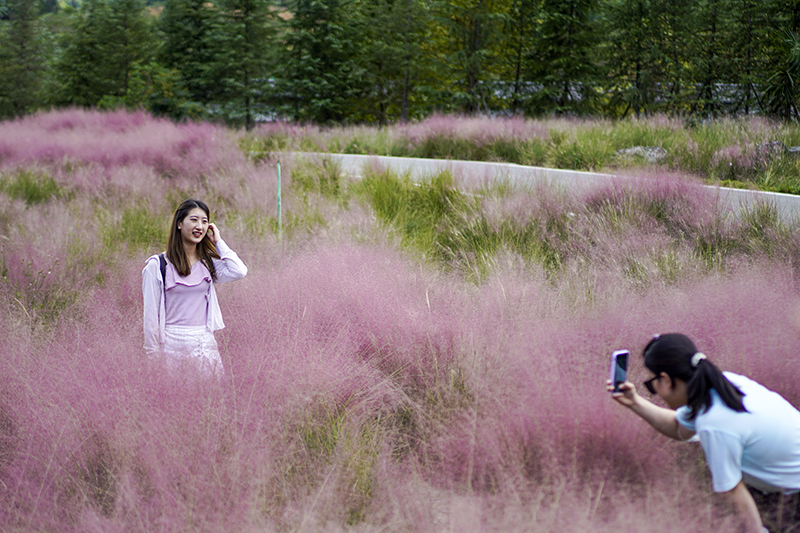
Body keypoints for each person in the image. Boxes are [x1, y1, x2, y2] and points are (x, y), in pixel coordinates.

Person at [609, 333, 800, 533]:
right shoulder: (725, 383)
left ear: (666, 380)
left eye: (651, 385)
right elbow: (678, 428)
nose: (654, 390)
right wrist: (635, 402)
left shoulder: (715, 422)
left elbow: (732, 490)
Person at [142, 199, 247, 374]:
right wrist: (153, 357)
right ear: (179, 224)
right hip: (170, 344)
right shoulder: (157, 265)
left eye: (204, 221)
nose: (199, 226)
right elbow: (151, 317)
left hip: (204, 343)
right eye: (194, 220)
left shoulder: (207, 264)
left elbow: (239, 271)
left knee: (209, 398)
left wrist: (218, 242)